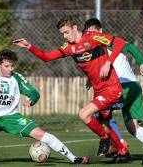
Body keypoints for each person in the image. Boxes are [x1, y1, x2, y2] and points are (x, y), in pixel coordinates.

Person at [13, 16, 131, 163]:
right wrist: (29, 46)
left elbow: (119, 43)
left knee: (84, 114)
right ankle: (122, 151)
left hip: (112, 87)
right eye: (62, 33)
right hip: (99, 90)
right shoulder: (69, 47)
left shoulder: (93, 37)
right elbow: (47, 57)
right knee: (104, 122)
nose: (65, 36)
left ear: (75, 28)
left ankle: (105, 139)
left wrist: (108, 63)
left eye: (67, 32)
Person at [84, 18, 143, 158]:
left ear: (101, 31)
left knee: (100, 112)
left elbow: (131, 47)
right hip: (134, 88)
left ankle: (120, 147)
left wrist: (141, 63)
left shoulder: (108, 43)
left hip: (123, 87)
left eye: (93, 32)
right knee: (132, 127)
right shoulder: (94, 50)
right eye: (88, 33)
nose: (91, 36)